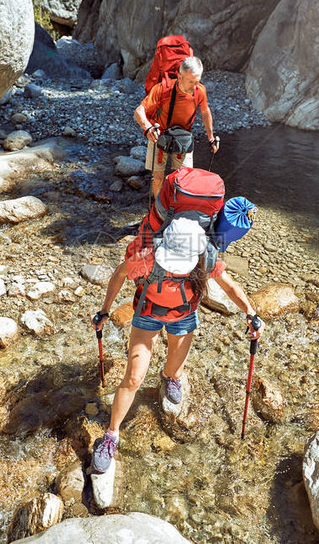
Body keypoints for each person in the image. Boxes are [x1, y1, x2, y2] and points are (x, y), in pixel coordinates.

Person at [89, 217, 263, 473]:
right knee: (133, 379)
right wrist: (105, 311)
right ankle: (111, 436)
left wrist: (250, 312)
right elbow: (119, 274)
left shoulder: (206, 256)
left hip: (183, 317)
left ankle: (169, 377)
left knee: (173, 371)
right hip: (148, 315)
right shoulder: (147, 256)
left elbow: (230, 287)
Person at [135, 56, 220, 198]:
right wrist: (148, 127)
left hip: (183, 138)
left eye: (197, 81)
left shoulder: (200, 91)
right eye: (190, 81)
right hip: (159, 137)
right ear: (180, 76)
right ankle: (158, 209)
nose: (194, 86)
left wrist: (211, 137)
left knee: (185, 179)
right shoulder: (162, 89)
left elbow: (205, 111)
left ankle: (177, 210)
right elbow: (139, 111)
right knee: (157, 178)